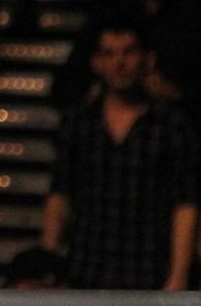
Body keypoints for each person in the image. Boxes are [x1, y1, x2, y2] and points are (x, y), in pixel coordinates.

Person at [42, 21, 198, 290]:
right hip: (87, 273)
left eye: (128, 52)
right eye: (109, 53)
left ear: (147, 59)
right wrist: (47, 264)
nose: (119, 63)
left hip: (149, 275)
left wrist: (178, 277)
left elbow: (185, 204)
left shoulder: (171, 126)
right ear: (96, 62)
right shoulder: (79, 123)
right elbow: (60, 195)